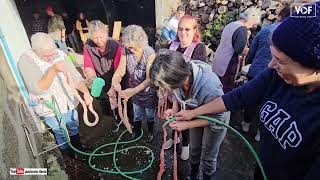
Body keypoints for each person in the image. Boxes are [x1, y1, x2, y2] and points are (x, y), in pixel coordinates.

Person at [174, 5, 320, 179]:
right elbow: (236, 98)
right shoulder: (275, 76)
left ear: (315, 68)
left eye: (281, 61)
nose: (270, 65)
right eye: (273, 56)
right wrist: (193, 113)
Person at [150, 50, 230, 179]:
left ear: (176, 79)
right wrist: (174, 110)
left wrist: (187, 124)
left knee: (209, 156)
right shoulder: (181, 77)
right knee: (194, 149)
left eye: (165, 86)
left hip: (216, 120)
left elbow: (218, 118)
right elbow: (176, 95)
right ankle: (193, 175)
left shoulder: (209, 87)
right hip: (194, 115)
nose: (164, 90)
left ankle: (206, 176)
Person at [18, 33, 93, 157]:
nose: (52, 57)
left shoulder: (60, 54)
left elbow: (75, 77)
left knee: (73, 124)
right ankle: (67, 153)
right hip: (49, 107)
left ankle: (78, 147)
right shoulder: (26, 60)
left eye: (53, 53)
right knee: (60, 130)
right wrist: (53, 69)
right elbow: (38, 88)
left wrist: (86, 93)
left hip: (68, 101)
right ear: (36, 51)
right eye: (47, 56)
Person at [162, 14, 208, 161]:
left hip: (187, 96)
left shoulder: (199, 48)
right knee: (171, 116)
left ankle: (186, 144)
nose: (183, 33)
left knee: (185, 120)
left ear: (195, 31)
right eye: (180, 29)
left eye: (187, 29)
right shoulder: (172, 45)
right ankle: (173, 138)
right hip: (171, 93)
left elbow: (195, 76)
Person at [241, 7, 291, 141]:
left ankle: (246, 124)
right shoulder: (293, 34)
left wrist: (251, 61)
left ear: (279, 16)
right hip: (277, 76)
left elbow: (251, 53)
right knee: (268, 104)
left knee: (251, 99)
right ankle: (259, 133)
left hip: (257, 70)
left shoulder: (265, 30)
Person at [111, 25, 157, 142]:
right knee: (137, 115)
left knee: (150, 115)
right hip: (135, 94)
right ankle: (137, 132)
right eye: (128, 47)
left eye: (132, 47)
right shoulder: (126, 51)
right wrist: (115, 81)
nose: (130, 49)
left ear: (140, 42)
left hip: (149, 94)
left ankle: (151, 132)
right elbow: (120, 70)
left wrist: (132, 91)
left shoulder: (150, 53)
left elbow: (150, 79)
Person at [83, 20, 129, 132]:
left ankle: (125, 120)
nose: (99, 41)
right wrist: (91, 76)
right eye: (95, 38)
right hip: (100, 79)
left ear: (106, 33)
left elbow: (119, 68)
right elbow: (88, 65)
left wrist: (114, 85)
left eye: (101, 37)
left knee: (119, 100)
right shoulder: (88, 46)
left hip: (115, 78)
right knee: (105, 101)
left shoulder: (116, 46)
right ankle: (115, 120)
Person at [211, 7, 261, 93]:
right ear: (250, 20)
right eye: (253, 24)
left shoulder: (231, 24)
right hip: (227, 63)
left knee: (215, 86)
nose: (252, 26)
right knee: (225, 89)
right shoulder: (242, 29)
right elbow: (239, 50)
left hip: (218, 59)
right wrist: (254, 50)